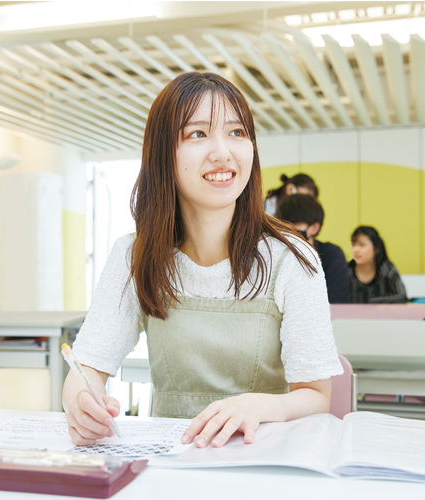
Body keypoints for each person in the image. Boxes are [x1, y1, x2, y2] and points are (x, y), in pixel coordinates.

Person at [63, 72, 343, 450]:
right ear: (163, 153)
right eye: (198, 134)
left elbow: (317, 398)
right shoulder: (135, 254)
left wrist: (254, 405)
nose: (223, 152)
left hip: (264, 458)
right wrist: (81, 402)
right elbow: (87, 367)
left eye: (237, 132)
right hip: (172, 461)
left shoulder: (292, 258)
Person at [277, 194, 349, 304]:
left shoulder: (331, 254)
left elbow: (336, 302)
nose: (288, 235)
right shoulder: (275, 253)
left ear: (314, 228)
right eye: (283, 228)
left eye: (293, 228)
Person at [348, 226, 407, 303]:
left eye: (362, 245)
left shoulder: (386, 269)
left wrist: (374, 302)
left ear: (376, 249)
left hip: (382, 314)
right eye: (353, 245)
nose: (356, 250)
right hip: (350, 314)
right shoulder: (347, 271)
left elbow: (402, 296)